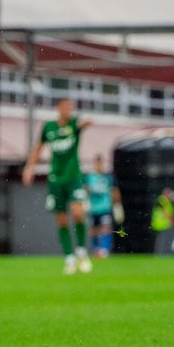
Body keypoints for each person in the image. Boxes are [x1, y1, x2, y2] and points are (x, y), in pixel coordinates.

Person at [22, 98, 93, 275]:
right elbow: (38, 147)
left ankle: (82, 252)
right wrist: (30, 168)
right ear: (59, 108)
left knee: (78, 212)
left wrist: (85, 123)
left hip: (74, 177)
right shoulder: (49, 127)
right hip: (55, 179)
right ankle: (69, 258)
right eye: (66, 107)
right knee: (61, 219)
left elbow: (83, 124)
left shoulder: (73, 124)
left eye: (71, 107)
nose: (69, 110)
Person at [84, 154, 123, 258]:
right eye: (97, 163)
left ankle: (104, 249)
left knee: (106, 227)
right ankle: (96, 248)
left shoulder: (108, 177)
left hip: (105, 207)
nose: (99, 165)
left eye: (100, 163)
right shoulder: (89, 177)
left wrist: (118, 207)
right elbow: (85, 191)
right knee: (94, 229)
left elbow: (115, 191)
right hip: (93, 209)